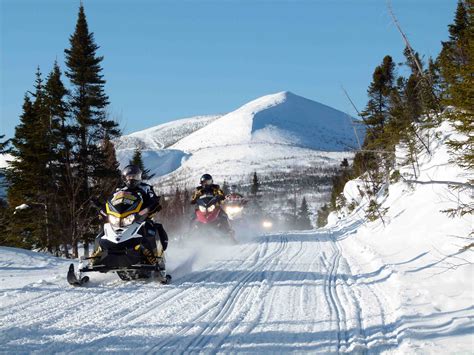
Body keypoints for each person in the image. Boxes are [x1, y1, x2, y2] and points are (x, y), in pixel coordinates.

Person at [93, 165, 168, 272]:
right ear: (125, 178)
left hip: (140, 217)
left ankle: (155, 259)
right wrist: (102, 208)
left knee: (151, 228)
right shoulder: (119, 191)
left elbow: (153, 199)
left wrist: (153, 205)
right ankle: (94, 259)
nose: (131, 179)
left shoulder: (146, 188)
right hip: (121, 218)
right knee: (103, 231)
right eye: (129, 176)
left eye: (134, 176)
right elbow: (111, 203)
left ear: (139, 177)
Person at [190, 173, 234, 238]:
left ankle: (228, 231)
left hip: (214, 206)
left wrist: (221, 196)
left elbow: (220, 193)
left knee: (224, 215)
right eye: (205, 182)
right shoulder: (199, 190)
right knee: (192, 217)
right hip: (202, 207)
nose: (207, 184)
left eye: (208, 182)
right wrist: (194, 198)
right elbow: (193, 198)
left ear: (211, 181)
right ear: (202, 182)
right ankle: (189, 233)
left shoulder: (215, 188)